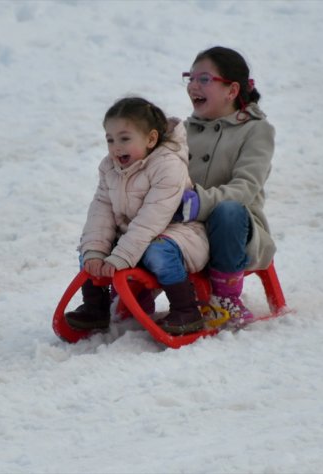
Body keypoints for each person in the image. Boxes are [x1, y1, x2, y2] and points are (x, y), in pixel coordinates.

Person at [65, 97, 210, 335]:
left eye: (124, 138)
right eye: (110, 140)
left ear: (151, 139)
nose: (116, 147)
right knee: (90, 252)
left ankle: (186, 310)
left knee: (158, 251)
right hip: (133, 238)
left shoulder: (168, 165)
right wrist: (95, 252)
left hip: (176, 234)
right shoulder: (109, 167)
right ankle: (95, 308)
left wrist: (121, 255)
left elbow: (152, 218)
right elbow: (101, 209)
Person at [175, 46, 276, 329]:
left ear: (231, 91)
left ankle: (226, 298)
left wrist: (198, 202)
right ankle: (136, 294)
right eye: (190, 78)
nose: (193, 86)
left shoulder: (256, 130)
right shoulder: (181, 131)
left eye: (204, 79)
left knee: (228, 211)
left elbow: (246, 187)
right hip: (187, 226)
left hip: (236, 230)